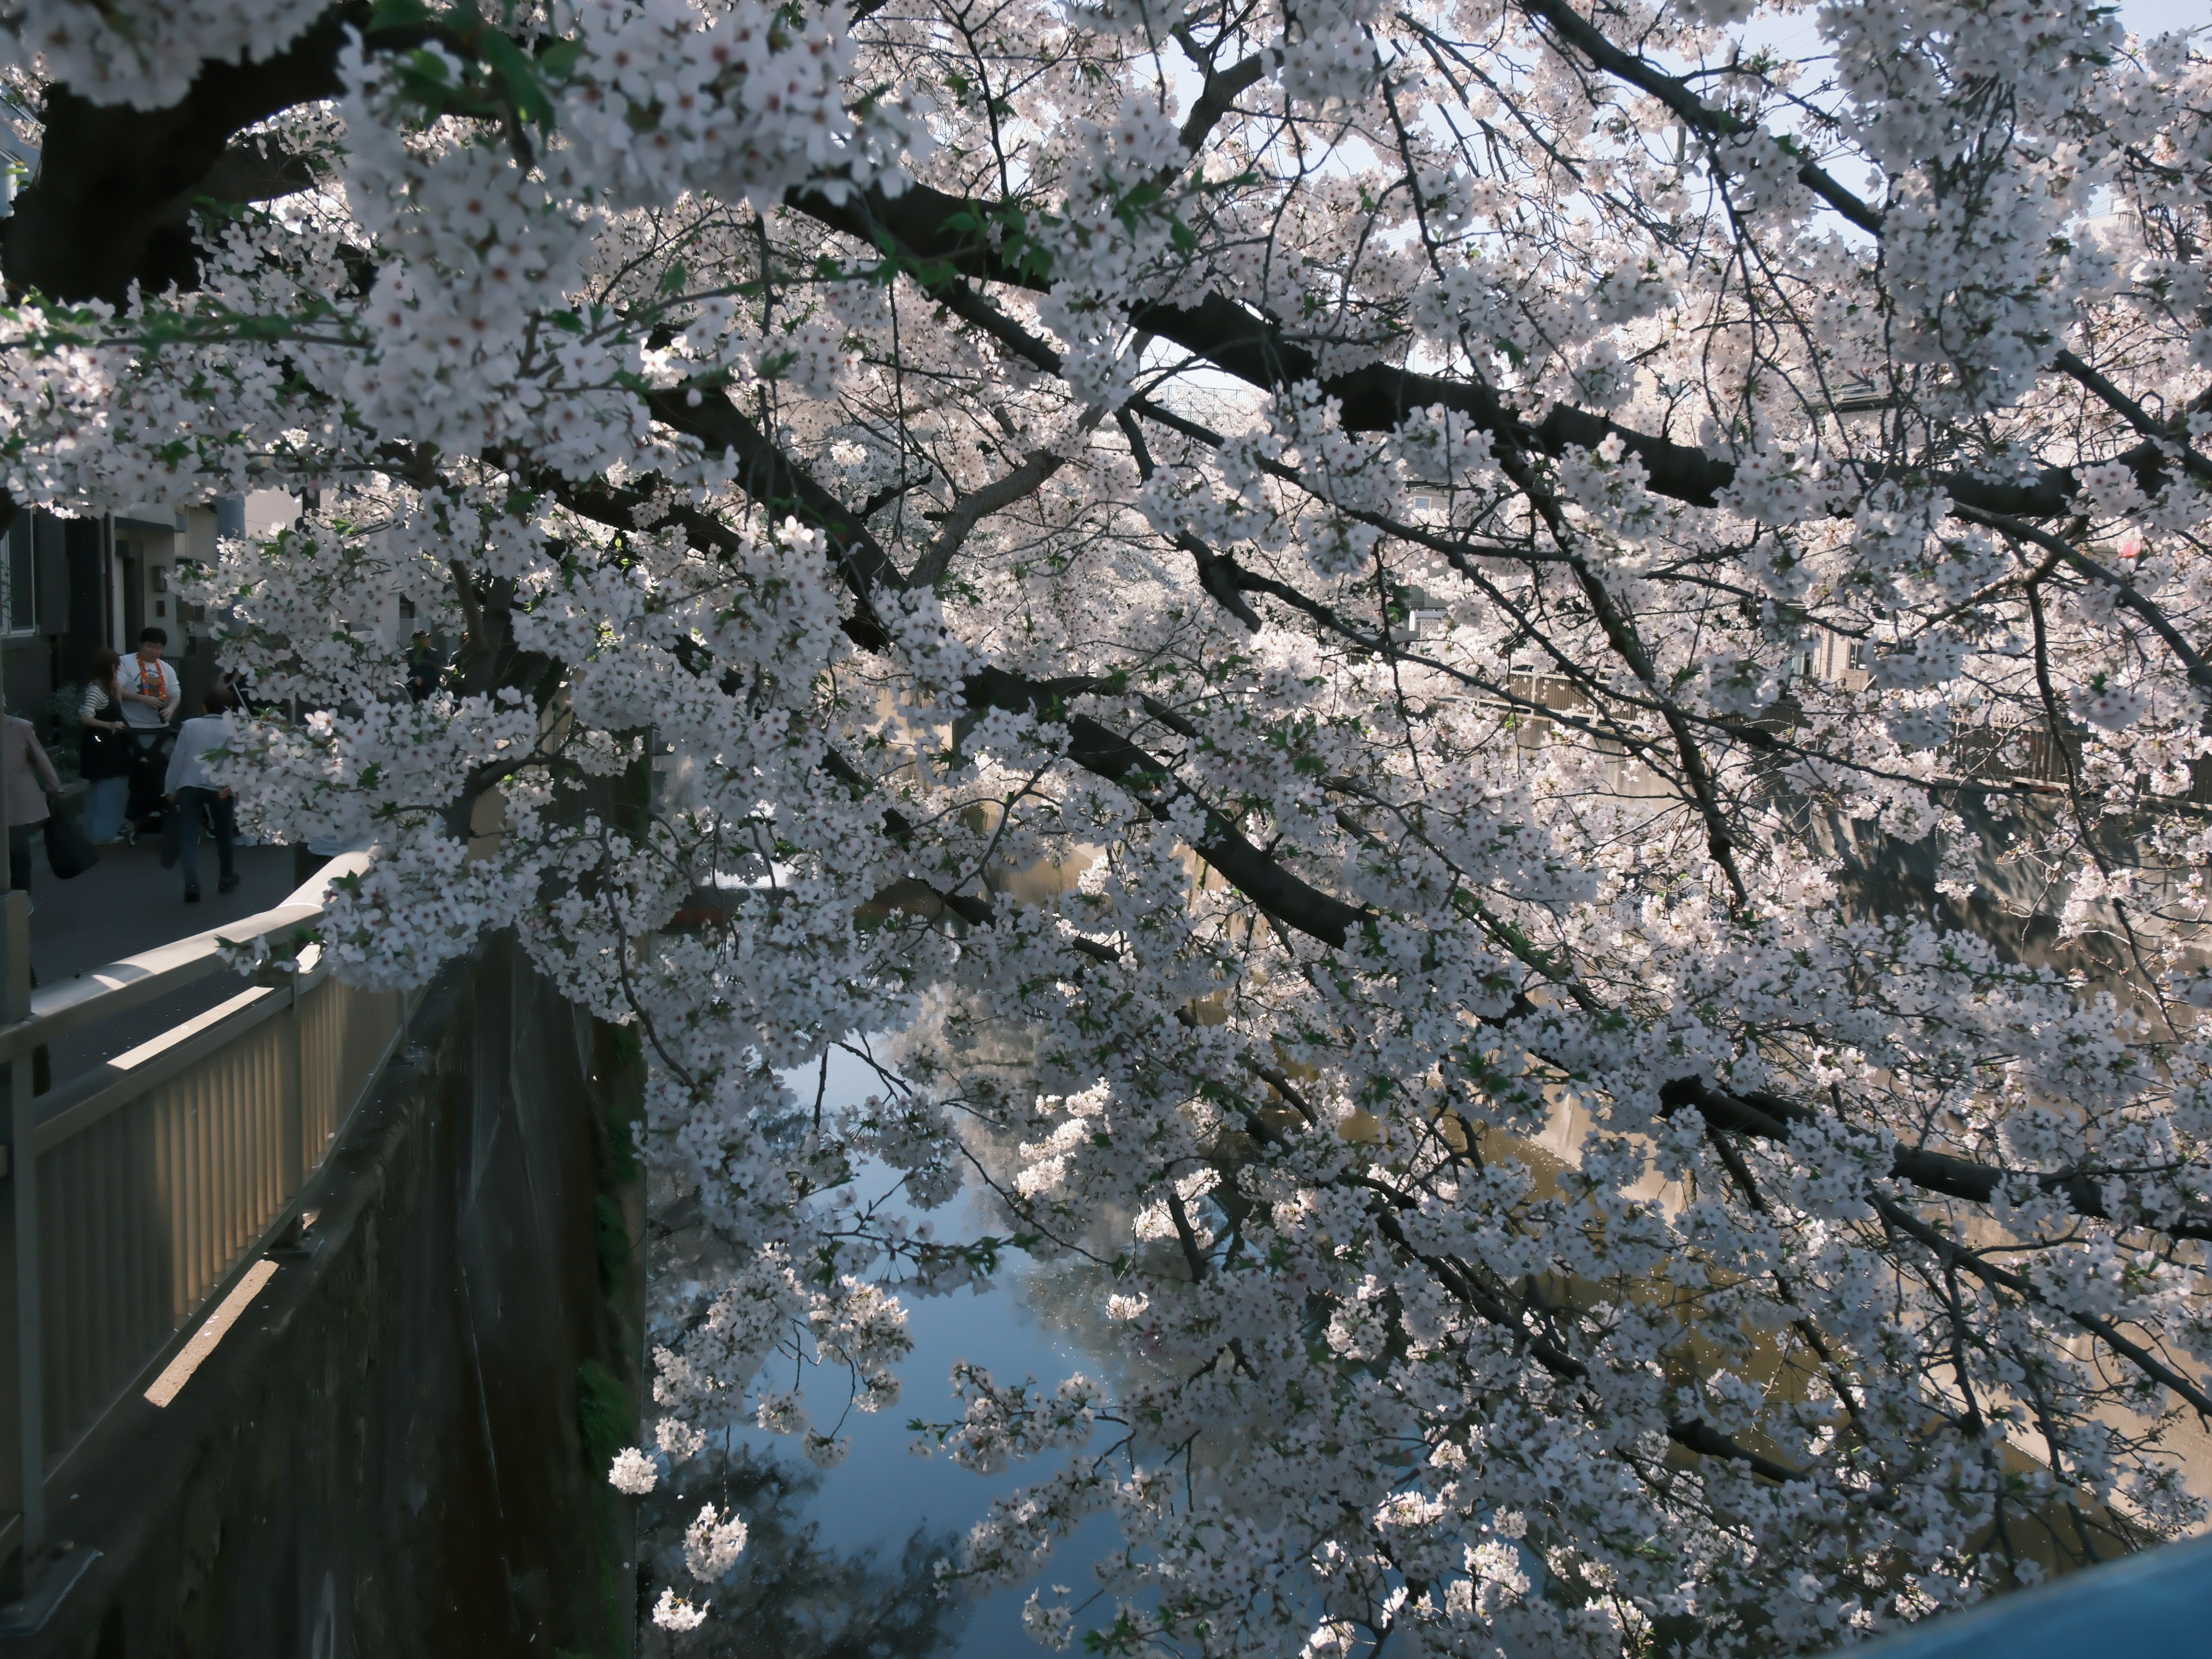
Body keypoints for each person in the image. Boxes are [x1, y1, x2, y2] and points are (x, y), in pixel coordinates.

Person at [163, 684, 241, 902]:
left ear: (204, 707)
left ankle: (192, 883)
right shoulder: (235, 728)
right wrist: (234, 785)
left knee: (188, 836)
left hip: (190, 784)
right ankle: (226, 878)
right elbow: (239, 760)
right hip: (220, 787)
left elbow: (177, 758)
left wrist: (170, 789)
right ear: (231, 708)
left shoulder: (189, 726)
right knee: (224, 836)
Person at [119, 625, 180, 830]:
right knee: (138, 773)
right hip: (134, 727)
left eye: (159, 648)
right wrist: (142, 699)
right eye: (150, 646)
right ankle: (134, 815)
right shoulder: (125, 662)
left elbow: (175, 694)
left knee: (162, 770)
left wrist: (170, 710)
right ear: (140, 644)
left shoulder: (166, 668)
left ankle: (162, 809)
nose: (154, 651)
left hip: (160, 729)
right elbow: (116, 690)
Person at [2, 700, 63, 898]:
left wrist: (53, 786)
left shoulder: (19, 727)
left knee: (17, 849)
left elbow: (40, 758)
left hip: (16, 800)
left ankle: (21, 896)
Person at [77, 647, 133, 843]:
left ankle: (95, 832)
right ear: (110, 667)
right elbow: (86, 717)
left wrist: (117, 689)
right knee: (109, 791)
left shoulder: (105, 688)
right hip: (104, 748)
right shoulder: (95, 690)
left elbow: (117, 711)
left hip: (108, 746)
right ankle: (103, 834)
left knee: (101, 790)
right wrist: (108, 725)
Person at [404, 630, 445, 702]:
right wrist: (413, 679)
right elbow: (401, 670)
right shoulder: (408, 654)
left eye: (428, 638)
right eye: (424, 639)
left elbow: (437, 671)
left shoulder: (434, 653)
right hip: (414, 689)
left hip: (431, 689)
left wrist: (423, 678)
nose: (427, 641)